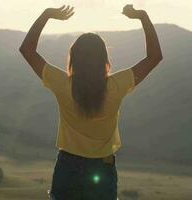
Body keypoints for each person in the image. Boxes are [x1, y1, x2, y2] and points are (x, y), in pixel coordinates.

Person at [19, 4, 162, 200]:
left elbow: (27, 50)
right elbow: (154, 57)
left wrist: (47, 15)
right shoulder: (116, 86)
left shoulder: (63, 85)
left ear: (74, 60)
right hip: (102, 169)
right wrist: (142, 16)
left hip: (67, 167)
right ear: (104, 59)